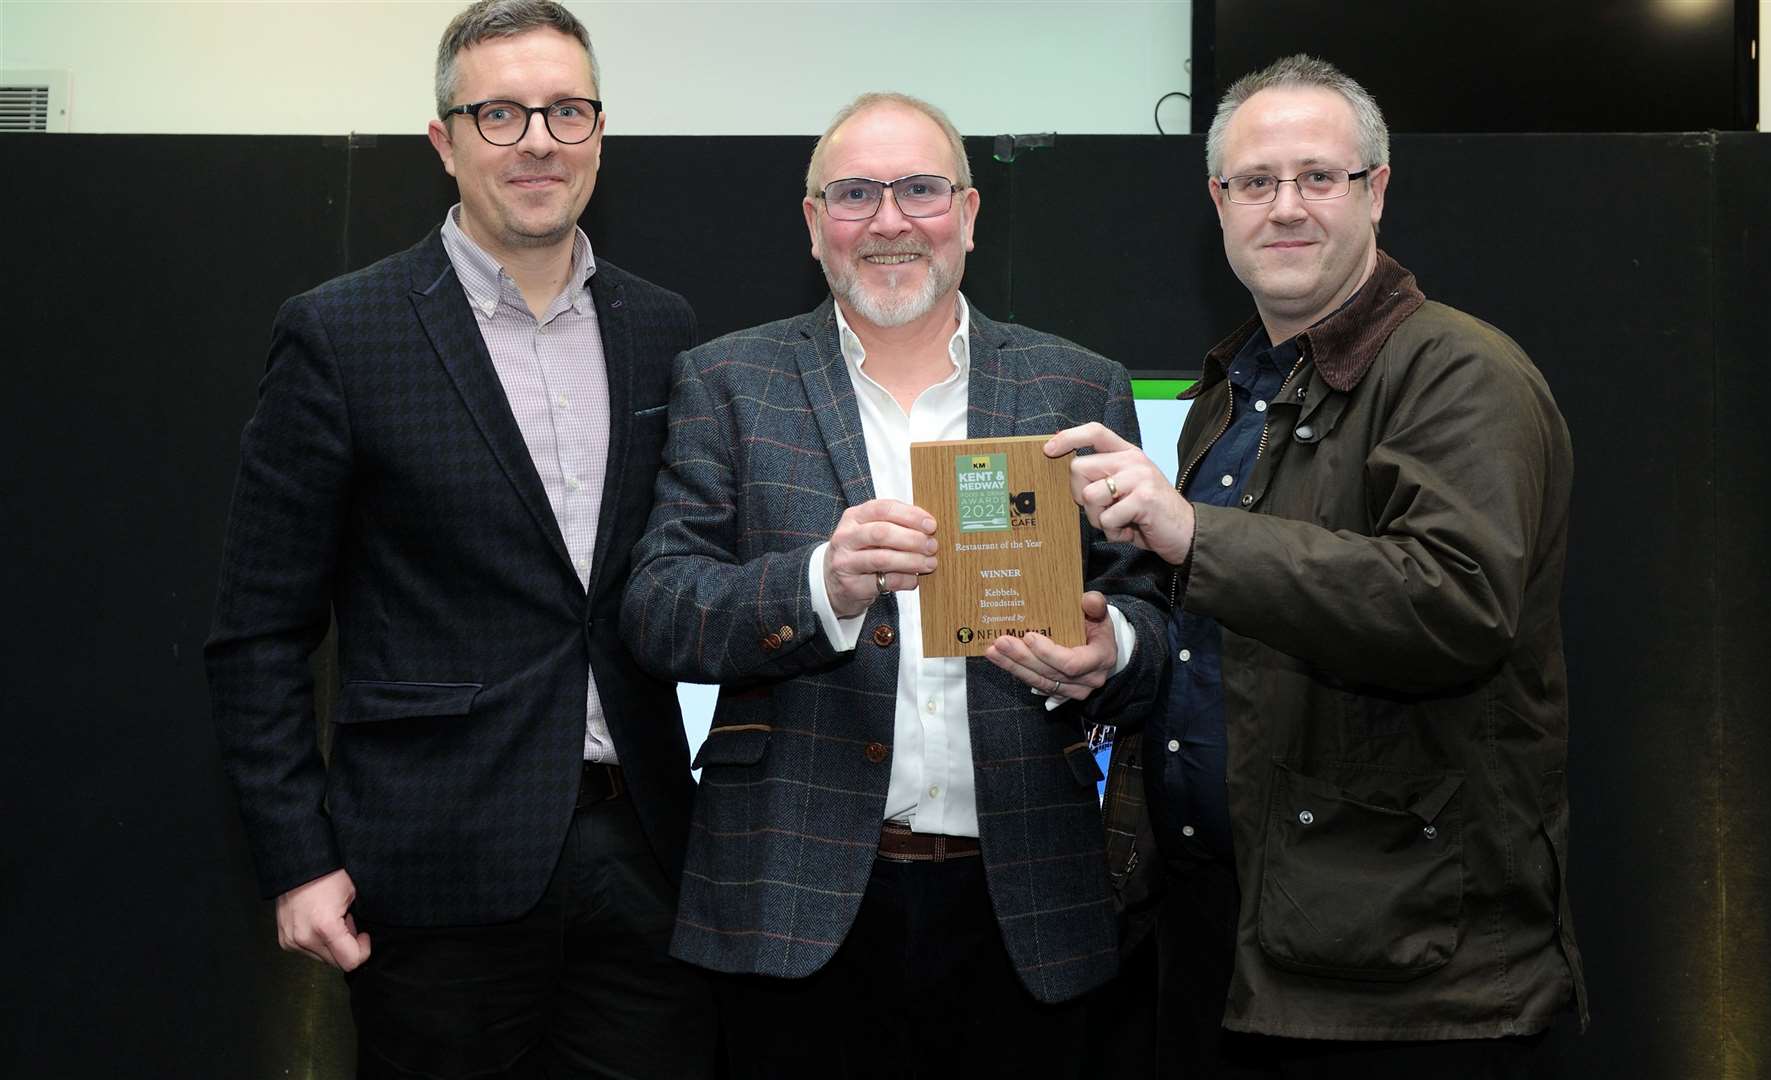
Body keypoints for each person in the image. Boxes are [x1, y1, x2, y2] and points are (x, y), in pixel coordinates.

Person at [1052, 54, 1588, 1077]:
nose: (1284, 207)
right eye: (1254, 181)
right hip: (1225, 932)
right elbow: (1231, 641)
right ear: (1217, 201)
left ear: (1376, 191)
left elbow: (1457, 606)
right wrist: (1117, 652)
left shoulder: (1458, 372)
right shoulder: (1236, 387)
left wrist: (1194, 535)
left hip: (1399, 974)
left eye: (1318, 177)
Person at [204, 2, 712, 1075]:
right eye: (501, 114)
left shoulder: (663, 327)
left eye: (566, 111)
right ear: (444, 142)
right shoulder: (342, 332)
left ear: (600, 133)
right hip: (434, 873)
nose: (539, 140)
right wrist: (298, 862)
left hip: (645, 852)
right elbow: (258, 632)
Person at [619, 92, 1167, 1079]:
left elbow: (1152, 614)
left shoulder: (1075, 386)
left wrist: (1108, 649)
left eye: (919, 189)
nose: (888, 220)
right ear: (812, 223)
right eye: (855, 194)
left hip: (1025, 902)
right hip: (792, 903)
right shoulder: (727, 382)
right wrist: (818, 584)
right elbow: (658, 608)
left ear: (965, 212)